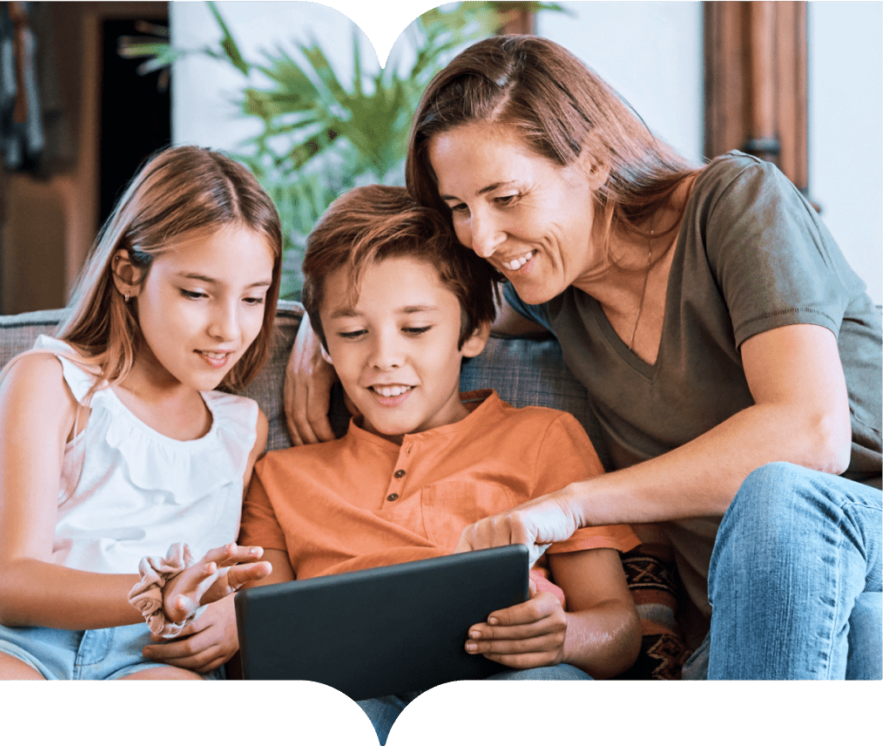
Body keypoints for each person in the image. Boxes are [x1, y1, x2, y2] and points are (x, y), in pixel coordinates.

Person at [284, 36, 883, 682]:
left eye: (507, 198)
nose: (482, 238)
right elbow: (438, 311)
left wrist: (572, 504)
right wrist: (319, 329)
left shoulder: (736, 205)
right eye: (459, 208)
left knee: (778, 500)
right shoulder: (555, 293)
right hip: (745, 619)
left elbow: (812, 434)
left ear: (593, 161)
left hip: (856, 529)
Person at [162, 185, 642, 742]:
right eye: (352, 333)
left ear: (474, 330)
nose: (384, 356)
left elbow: (619, 631)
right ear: (321, 345)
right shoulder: (281, 477)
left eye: (416, 328)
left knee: (546, 691)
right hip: (352, 700)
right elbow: (267, 663)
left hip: (507, 685)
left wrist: (562, 638)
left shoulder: (544, 438)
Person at [0, 146, 278, 682]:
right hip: (10, 637)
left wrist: (231, 614)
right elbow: (14, 587)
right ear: (127, 274)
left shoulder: (242, 428)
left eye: (253, 299)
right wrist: (158, 593)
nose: (229, 330)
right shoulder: (51, 382)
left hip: (150, 654)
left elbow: (255, 569)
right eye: (196, 293)